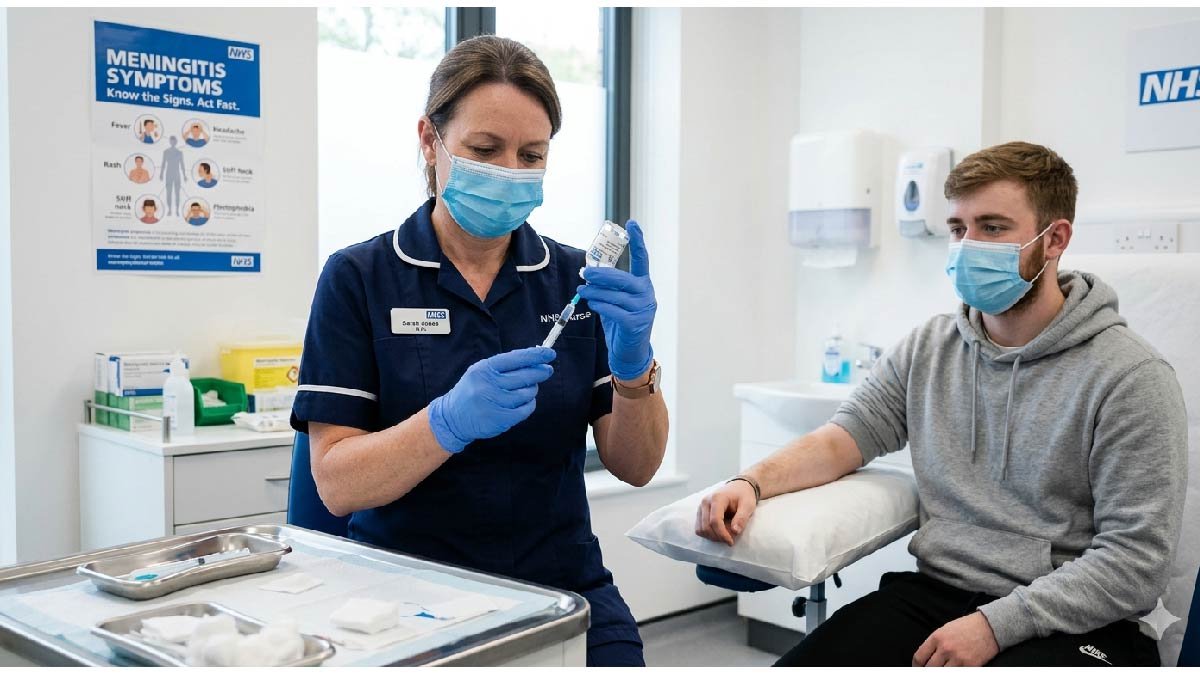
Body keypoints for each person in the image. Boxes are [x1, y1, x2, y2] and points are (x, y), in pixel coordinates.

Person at [696, 142, 1187, 667]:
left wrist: (995, 627)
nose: (968, 246)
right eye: (958, 229)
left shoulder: (1130, 377)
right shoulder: (931, 347)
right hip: (936, 597)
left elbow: (1135, 563)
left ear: (1055, 240)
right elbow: (843, 439)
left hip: (1077, 620)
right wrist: (750, 482)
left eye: (993, 228)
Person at [290, 35, 668, 667]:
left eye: (531, 155)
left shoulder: (575, 283)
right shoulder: (360, 278)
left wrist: (634, 369)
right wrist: (446, 423)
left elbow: (636, 465)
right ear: (429, 141)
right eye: (485, 150)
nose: (509, 172)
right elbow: (335, 485)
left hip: (561, 589)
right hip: (404, 600)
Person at [160, 137, 186, 216]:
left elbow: (182, 164)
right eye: (171, 141)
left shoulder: (179, 152)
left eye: (174, 141)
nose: (173, 143)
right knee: (169, 192)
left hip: (177, 174)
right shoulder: (166, 152)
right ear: (170, 142)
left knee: (177, 193)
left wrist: (184, 175)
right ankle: (170, 210)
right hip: (169, 174)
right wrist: (161, 173)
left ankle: (177, 210)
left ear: (176, 142)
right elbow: (163, 163)